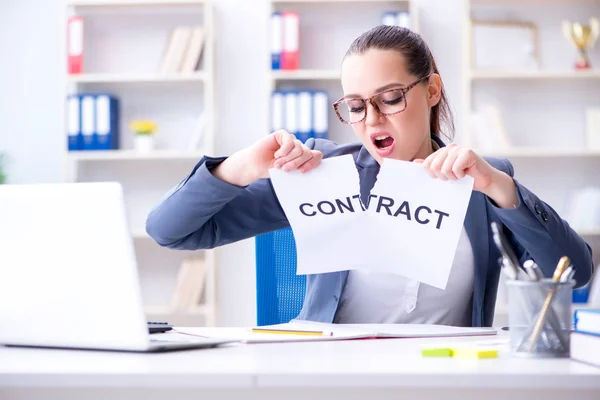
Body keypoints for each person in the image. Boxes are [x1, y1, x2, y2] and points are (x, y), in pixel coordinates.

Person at [146, 25, 593, 327]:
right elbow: (169, 231)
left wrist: (500, 187)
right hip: (336, 377)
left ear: (432, 91)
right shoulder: (323, 173)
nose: (372, 119)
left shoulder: (480, 182)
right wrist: (241, 166)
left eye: (391, 98)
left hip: (448, 381)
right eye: (357, 106)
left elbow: (576, 274)